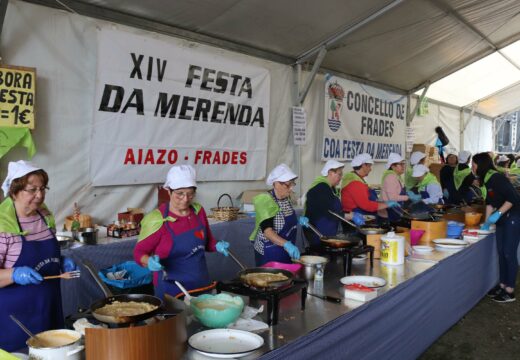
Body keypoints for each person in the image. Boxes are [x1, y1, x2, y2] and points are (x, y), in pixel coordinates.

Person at [0, 161, 77, 351]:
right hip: (15, 317)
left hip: (49, 306)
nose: (40, 195)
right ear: (14, 191)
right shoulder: (3, 225)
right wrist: (14, 274)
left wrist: (60, 261)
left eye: (43, 188)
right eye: (32, 189)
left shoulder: (44, 214)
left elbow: (49, 251)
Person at [134, 165, 229, 299]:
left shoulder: (198, 211)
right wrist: (148, 261)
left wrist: (217, 245)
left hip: (201, 284)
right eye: (180, 194)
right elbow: (139, 253)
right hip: (172, 290)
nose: (185, 199)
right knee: (177, 320)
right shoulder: (157, 220)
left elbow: (207, 242)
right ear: (168, 191)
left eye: (190, 194)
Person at [474, 153, 520, 303]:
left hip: (513, 217)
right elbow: (489, 202)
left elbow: (513, 198)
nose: (472, 167)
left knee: (509, 253)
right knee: (501, 252)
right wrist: (486, 223)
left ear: (480, 164)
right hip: (501, 218)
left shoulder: (496, 177)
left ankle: (510, 290)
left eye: (473, 164)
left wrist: (497, 214)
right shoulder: (486, 179)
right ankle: (502, 284)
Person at [302, 160, 365, 247]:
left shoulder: (331, 188)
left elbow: (334, 209)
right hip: (317, 232)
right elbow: (329, 212)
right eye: (339, 174)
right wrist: (351, 216)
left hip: (328, 230)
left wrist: (350, 214)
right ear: (330, 173)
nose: (341, 177)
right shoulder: (321, 188)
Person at [250, 164, 301, 266]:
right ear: (276, 184)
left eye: (292, 184)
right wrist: (287, 244)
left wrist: (300, 220)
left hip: (285, 252)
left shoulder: (287, 198)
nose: (291, 188)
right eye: (288, 185)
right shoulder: (265, 200)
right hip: (269, 252)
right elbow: (268, 232)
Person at [341, 153, 399, 218]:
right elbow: (366, 205)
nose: (370, 169)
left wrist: (383, 203)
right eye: (369, 166)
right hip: (356, 217)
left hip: (361, 214)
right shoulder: (355, 182)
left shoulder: (358, 178)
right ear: (363, 165)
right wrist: (386, 204)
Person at [379, 153, 421, 222]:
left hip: (394, 210)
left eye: (403, 164)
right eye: (400, 164)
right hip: (388, 213)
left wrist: (407, 193)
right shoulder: (391, 177)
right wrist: (408, 197)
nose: (403, 166)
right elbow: (392, 198)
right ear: (393, 166)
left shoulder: (396, 176)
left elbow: (397, 191)